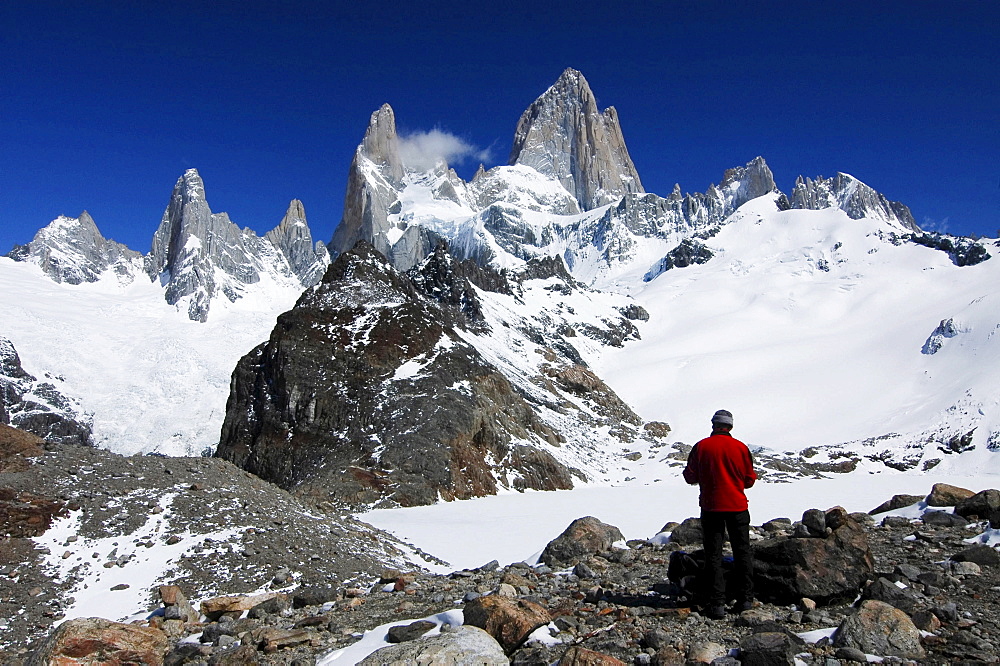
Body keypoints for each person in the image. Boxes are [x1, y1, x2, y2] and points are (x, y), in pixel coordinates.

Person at [682, 409, 757, 619]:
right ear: (730, 426)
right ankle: (745, 600)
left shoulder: (701, 447)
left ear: (713, 425)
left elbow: (690, 476)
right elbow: (749, 480)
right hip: (737, 506)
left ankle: (717, 603)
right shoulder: (741, 448)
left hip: (711, 507)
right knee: (742, 551)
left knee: (712, 555)